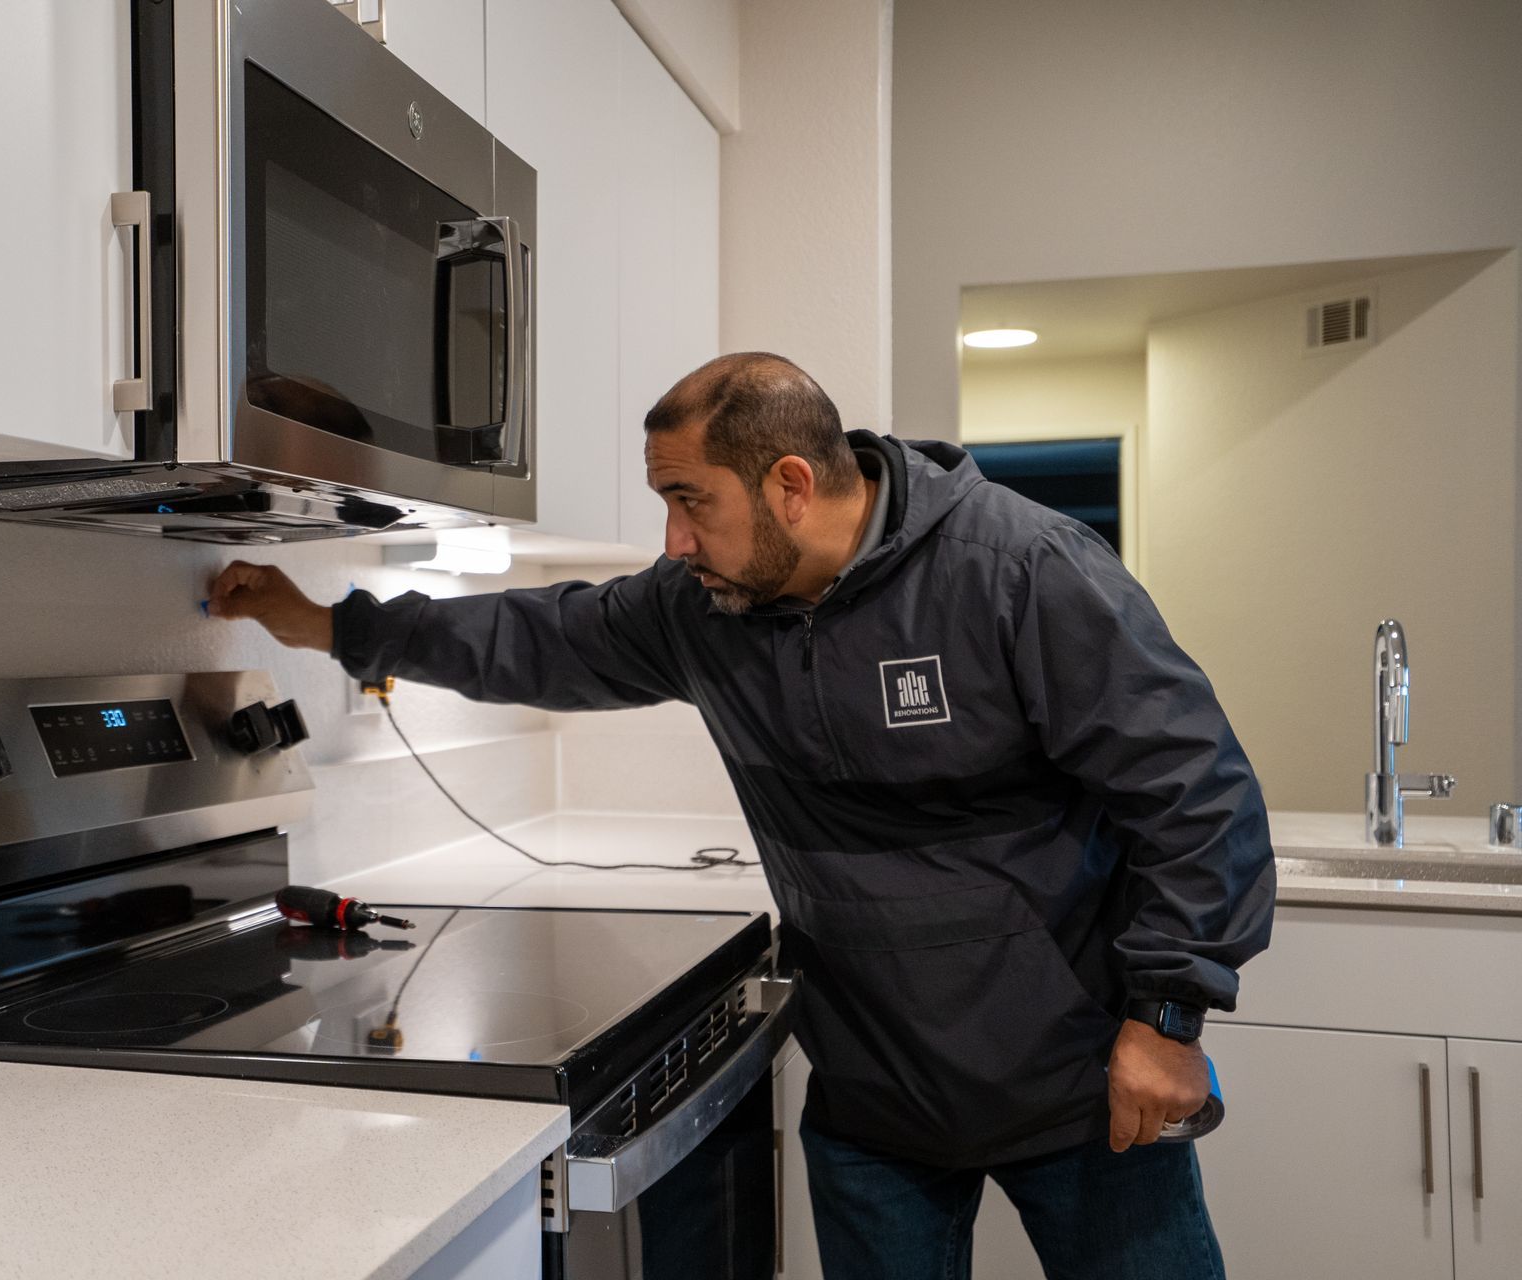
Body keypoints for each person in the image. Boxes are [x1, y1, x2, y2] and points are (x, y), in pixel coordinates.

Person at [208, 351, 1275, 1280]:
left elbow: (1194, 787)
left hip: (1081, 1080)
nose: (671, 539)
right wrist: (323, 622)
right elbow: (538, 635)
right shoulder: (701, 610)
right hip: (875, 1095)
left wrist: (1169, 1016)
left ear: (792, 484)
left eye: (689, 500)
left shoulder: (1019, 571)